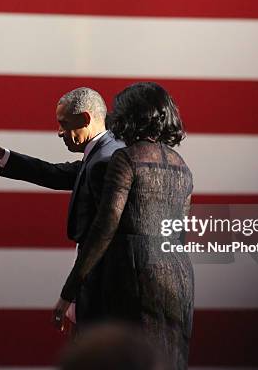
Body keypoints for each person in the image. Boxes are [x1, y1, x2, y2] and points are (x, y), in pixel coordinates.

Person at [52, 82, 195, 369]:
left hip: (132, 278)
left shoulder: (126, 160)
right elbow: (178, 233)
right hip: (179, 279)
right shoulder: (182, 165)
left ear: (130, 116)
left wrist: (69, 292)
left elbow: (105, 228)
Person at [0, 87, 125, 330]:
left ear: (85, 119)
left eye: (63, 124)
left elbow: (102, 236)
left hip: (100, 291)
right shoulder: (102, 153)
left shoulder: (105, 159)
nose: (59, 132)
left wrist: (70, 294)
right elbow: (53, 173)